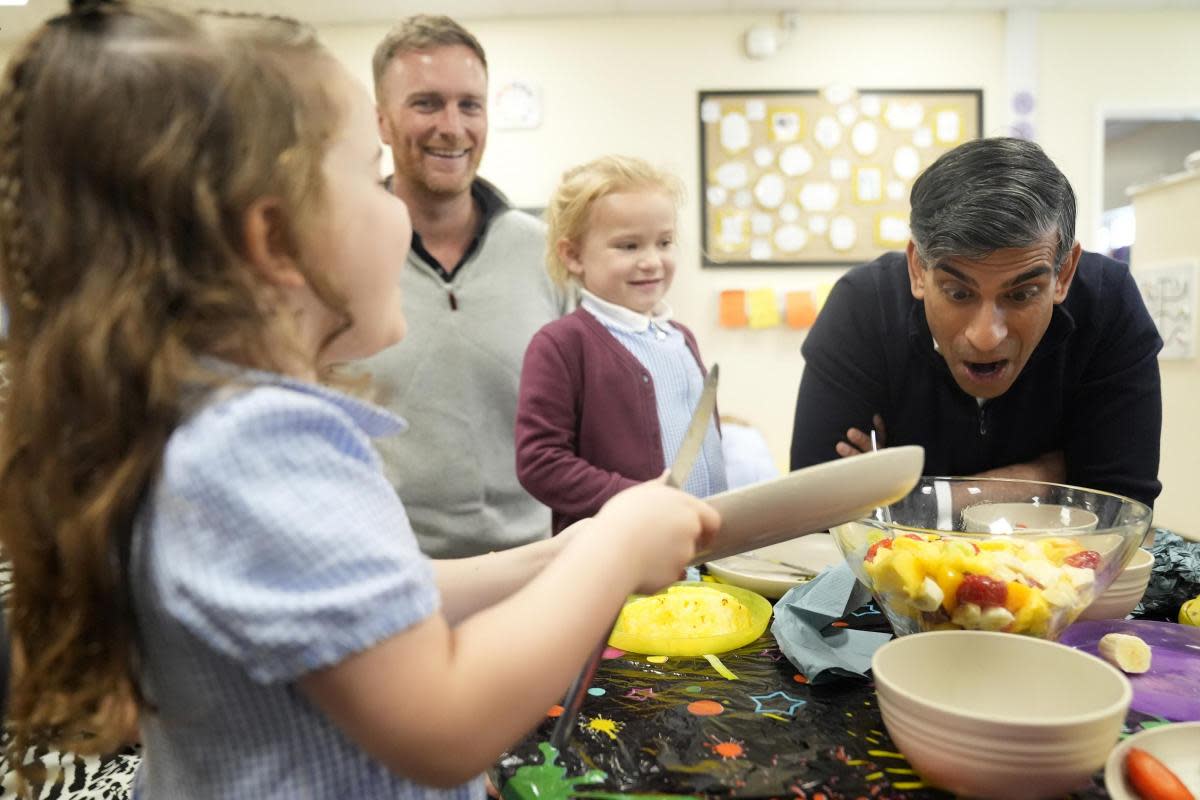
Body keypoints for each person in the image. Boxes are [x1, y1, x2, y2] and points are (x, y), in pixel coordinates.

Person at [0, 5, 719, 799]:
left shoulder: (213, 422)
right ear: (275, 240)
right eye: (369, 176)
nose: (397, 207)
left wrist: (566, 552)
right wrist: (611, 551)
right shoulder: (258, 445)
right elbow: (444, 724)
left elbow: (389, 595)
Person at [789, 136, 1163, 509]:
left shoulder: (1108, 305)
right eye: (958, 293)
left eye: (1021, 294)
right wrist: (1044, 477)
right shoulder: (863, 307)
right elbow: (816, 513)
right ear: (919, 269)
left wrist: (899, 498)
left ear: (1063, 273)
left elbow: (1123, 511)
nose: (986, 337)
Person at [354, 15, 569, 558]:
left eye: (469, 105)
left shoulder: (546, 252)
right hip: (390, 573)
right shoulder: (338, 255)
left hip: (536, 564)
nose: (452, 126)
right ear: (382, 121)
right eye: (426, 103)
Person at [515, 156, 727, 534]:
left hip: (698, 550)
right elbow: (540, 462)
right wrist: (635, 498)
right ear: (573, 255)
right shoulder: (561, 344)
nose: (652, 262)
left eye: (664, 242)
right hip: (617, 557)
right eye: (629, 246)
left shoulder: (681, 337)